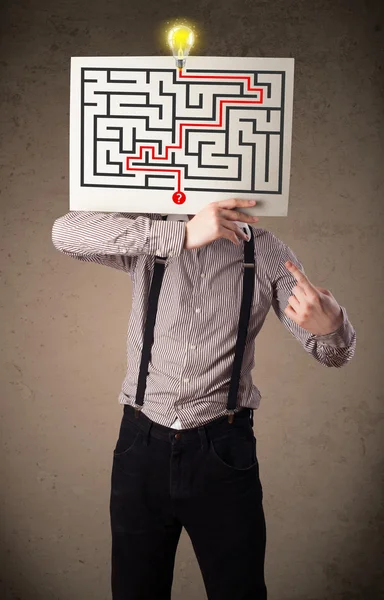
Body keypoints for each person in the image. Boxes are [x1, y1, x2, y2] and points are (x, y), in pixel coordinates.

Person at [51, 198, 356, 600]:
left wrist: (333, 329)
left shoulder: (265, 251)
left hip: (224, 451)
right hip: (141, 446)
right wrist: (181, 234)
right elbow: (65, 233)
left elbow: (331, 353)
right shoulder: (153, 235)